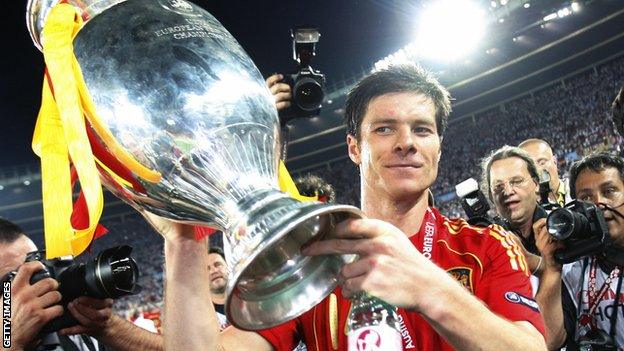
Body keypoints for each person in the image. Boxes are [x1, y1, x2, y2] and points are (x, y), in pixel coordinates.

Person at [147, 64, 547, 350]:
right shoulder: (313, 257)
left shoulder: (486, 245)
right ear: (355, 147)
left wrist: (430, 289)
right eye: (385, 128)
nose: (406, 142)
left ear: (438, 149)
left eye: (422, 129)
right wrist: (184, 243)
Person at [0, 218, 162, 351]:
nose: (39, 285)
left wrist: (109, 327)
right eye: (12, 280)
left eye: (38, 269)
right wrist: (9, 340)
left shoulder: (74, 331)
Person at [533, 152, 624, 350]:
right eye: (586, 197)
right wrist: (552, 266)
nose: (599, 204)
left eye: (609, 191)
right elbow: (546, 341)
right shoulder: (572, 270)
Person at [481, 145, 544, 262]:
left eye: (517, 181)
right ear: (491, 195)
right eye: (498, 186)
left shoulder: (564, 225)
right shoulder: (488, 244)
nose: (508, 192)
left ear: (536, 184)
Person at [519, 138, 571, 206]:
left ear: (554, 161)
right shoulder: (524, 210)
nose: (537, 171)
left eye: (542, 163)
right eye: (530, 167)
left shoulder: (578, 189)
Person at [207, 247, 230, 331]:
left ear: (228, 267)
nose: (214, 271)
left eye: (217, 264)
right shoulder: (202, 318)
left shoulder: (250, 298)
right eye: (207, 269)